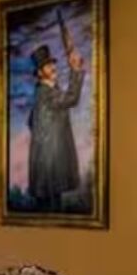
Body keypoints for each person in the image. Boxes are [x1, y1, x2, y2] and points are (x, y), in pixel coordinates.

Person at [26, 39, 85, 210]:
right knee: (50, 210)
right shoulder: (46, 93)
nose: (53, 67)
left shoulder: (45, 92)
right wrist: (75, 70)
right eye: (47, 66)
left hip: (47, 169)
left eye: (52, 63)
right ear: (39, 73)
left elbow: (30, 122)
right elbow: (72, 98)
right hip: (48, 169)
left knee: (52, 210)